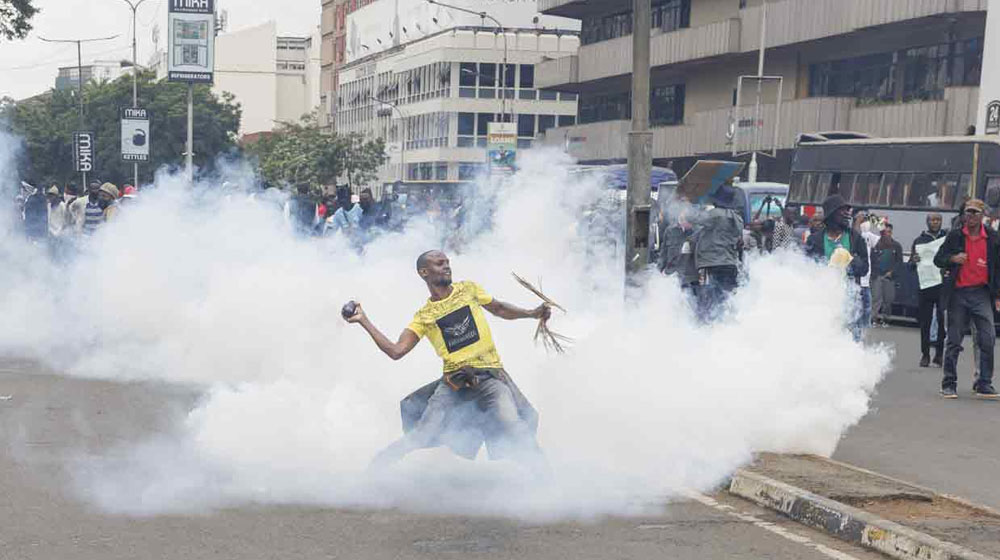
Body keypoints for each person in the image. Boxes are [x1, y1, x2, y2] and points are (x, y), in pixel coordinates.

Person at [345, 250, 550, 470]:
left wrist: (532, 313)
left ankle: (543, 476)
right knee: (424, 432)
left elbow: (499, 308)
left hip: (491, 377)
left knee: (513, 423)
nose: (446, 266)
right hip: (454, 382)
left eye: (447, 263)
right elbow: (396, 351)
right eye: (439, 263)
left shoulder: (468, 289)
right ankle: (382, 461)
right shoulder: (424, 315)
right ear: (424, 272)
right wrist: (363, 321)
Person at [933, 198, 1000, 399]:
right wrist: (953, 259)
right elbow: (938, 259)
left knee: (987, 338)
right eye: (967, 213)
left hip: (981, 294)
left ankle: (984, 383)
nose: (970, 216)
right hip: (958, 293)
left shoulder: (993, 238)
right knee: (954, 340)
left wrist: (997, 295)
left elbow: (998, 269)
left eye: (975, 213)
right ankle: (949, 383)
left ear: (982, 216)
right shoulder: (954, 236)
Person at [805, 195, 870, 341]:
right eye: (842, 211)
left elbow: (865, 268)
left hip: (850, 300)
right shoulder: (815, 240)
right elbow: (806, 269)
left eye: (848, 211)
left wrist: (851, 260)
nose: (847, 214)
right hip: (823, 300)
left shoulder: (855, 238)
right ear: (831, 214)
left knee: (851, 341)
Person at [692, 184, 744, 321]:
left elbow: (694, 219)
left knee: (707, 297)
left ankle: (707, 323)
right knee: (727, 297)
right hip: (729, 263)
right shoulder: (737, 218)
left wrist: (688, 204)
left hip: (710, 263)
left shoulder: (714, 215)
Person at [910, 213, 948, 367]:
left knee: (941, 321)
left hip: (942, 285)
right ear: (927, 222)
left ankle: (939, 354)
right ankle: (925, 354)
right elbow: (911, 265)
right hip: (925, 286)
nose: (935, 222)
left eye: (938, 220)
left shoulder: (947, 238)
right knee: (925, 322)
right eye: (932, 220)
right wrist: (913, 261)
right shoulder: (919, 241)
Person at [658, 207, 699, 293]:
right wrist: (660, 269)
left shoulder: (697, 231)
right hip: (672, 274)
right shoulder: (670, 230)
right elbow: (664, 252)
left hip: (691, 277)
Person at [870, 223, 903, 326]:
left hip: (889, 277)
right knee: (876, 298)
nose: (887, 234)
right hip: (877, 275)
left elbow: (899, 262)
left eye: (889, 232)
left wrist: (892, 272)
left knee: (888, 300)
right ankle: (873, 319)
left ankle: (886, 319)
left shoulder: (896, 246)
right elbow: (871, 260)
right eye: (885, 232)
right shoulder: (876, 244)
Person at [854, 211, 879, 329]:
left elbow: (886, 241)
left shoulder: (868, 236)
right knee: (854, 315)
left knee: (866, 314)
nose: (865, 222)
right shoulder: (850, 233)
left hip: (866, 283)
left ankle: (859, 341)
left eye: (865, 219)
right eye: (862, 219)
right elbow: (855, 237)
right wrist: (857, 221)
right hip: (855, 282)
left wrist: (877, 221)